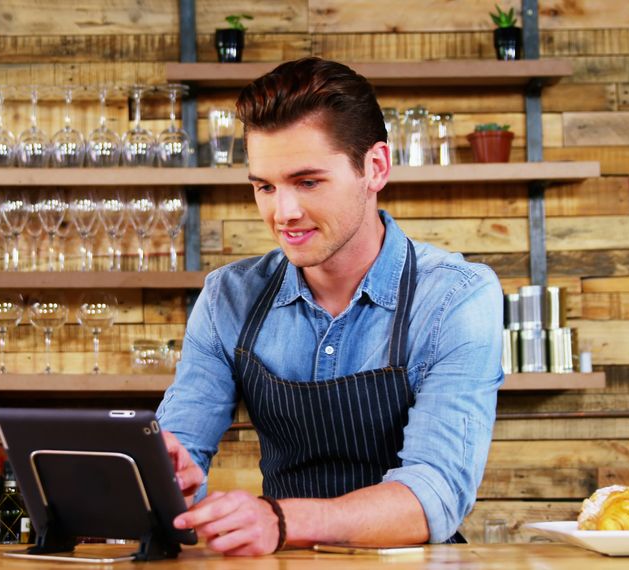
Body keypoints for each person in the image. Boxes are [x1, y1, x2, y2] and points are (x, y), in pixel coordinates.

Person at [155, 57, 504, 556]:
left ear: (375, 168)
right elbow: (179, 445)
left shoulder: (455, 297)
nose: (284, 213)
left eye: (308, 182)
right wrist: (172, 478)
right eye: (265, 186)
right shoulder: (228, 297)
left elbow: (437, 492)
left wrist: (281, 518)